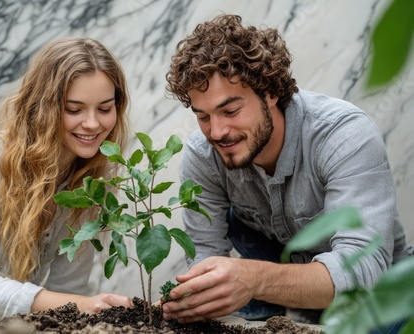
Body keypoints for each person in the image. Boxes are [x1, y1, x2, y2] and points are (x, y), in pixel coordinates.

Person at [161, 13, 410, 326]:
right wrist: (192, 299)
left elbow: (363, 270)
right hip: (288, 302)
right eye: (203, 116)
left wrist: (254, 279)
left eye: (230, 110)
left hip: (380, 301)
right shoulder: (204, 154)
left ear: (270, 92)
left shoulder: (343, 136)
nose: (217, 131)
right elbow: (205, 255)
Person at [0, 37, 133, 319]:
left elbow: (68, 289)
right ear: (43, 106)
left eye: (104, 109)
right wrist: (80, 304)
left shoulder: (95, 180)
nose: (92, 123)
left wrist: (87, 307)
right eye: (74, 109)